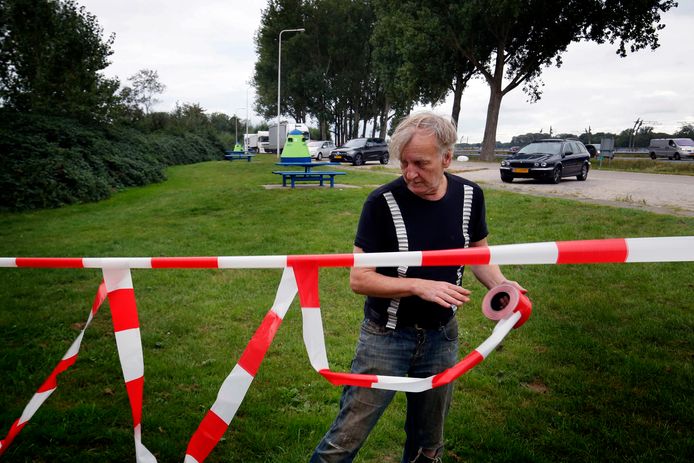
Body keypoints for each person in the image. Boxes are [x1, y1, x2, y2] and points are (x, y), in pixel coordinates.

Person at [310, 112, 524, 463]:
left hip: (442, 337)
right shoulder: (381, 203)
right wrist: (418, 286)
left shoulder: (471, 196)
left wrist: (502, 286)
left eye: (420, 163)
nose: (410, 173)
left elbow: (477, 252)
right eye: (404, 163)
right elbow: (359, 279)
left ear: (446, 158)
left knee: (429, 444)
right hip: (385, 338)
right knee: (344, 440)